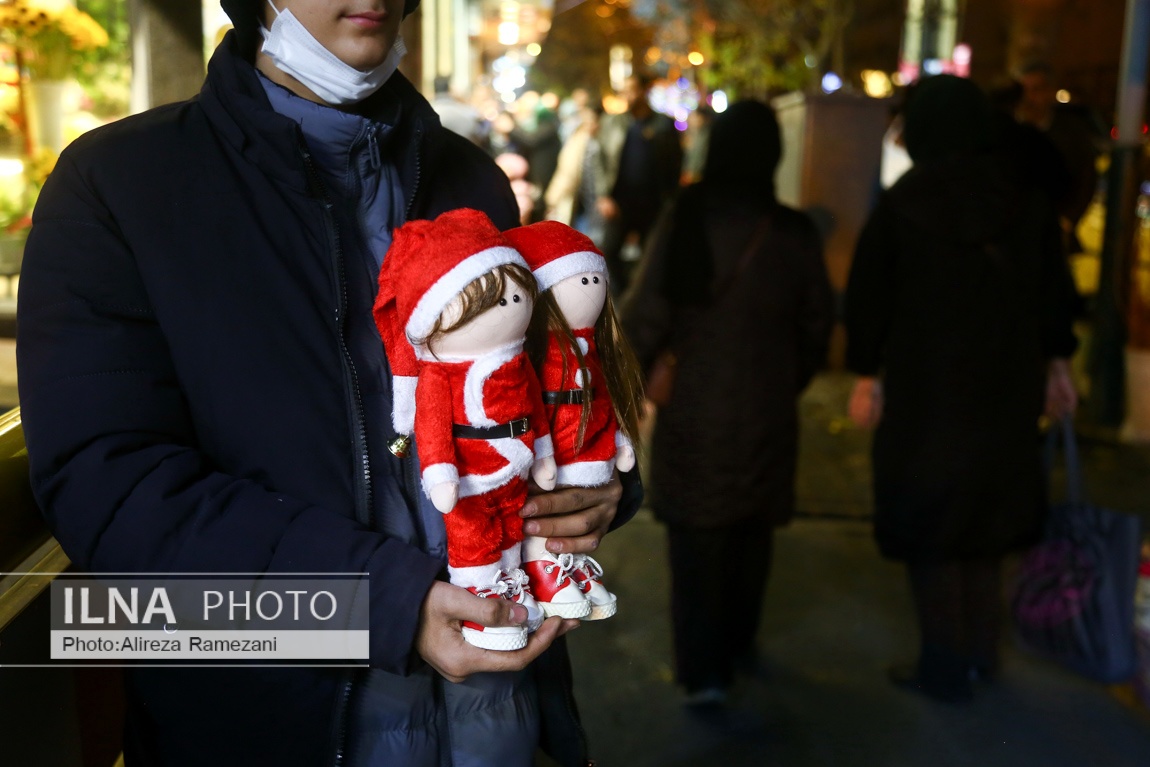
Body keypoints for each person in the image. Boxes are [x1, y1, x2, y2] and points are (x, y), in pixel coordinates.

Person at [16, 1, 642, 764]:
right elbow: (108, 490)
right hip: (270, 725)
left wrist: (600, 485)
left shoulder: (469, 177)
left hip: (505, 716)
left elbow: (548, 389)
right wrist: (383, 606)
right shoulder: (119, 186)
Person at [843, 75, 1080, 704]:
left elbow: (869, 301)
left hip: (926, 391)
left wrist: (867, 375)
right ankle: (981, 651)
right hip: (1007, 387)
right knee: (989, 519)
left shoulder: (903, 205)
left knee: (932, 521)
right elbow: (1053, 295)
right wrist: (1059, 366)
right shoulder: (1026, 201)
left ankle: (943, 662)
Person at [620, 100, 835, 707]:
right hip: (767, 406)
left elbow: (648, 310)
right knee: (751, 532)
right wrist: (786, 375)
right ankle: (741, 643)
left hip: (694, 404)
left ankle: (704, 670)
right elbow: (819, 321)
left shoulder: (687, 215)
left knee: (695, 539)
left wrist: (630, 383)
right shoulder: (791, 231)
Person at [597, 73, 683, 294]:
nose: (628, 95)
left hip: (653, 202)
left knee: (653, 257)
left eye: (633, 89)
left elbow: (675, 163)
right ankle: (624, 295)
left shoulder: (663, 124)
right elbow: (600, 160)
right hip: (620, 201)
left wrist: (671, 200)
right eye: (624, 90)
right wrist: (603, 195)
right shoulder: (612, 122)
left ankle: (644, 298)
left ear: (644, 91)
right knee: (608, 251)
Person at [429, 74, 482, 145]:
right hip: (464, 152)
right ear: (450, 89)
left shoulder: (427, 112)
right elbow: (479, 131)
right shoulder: (466, 111)